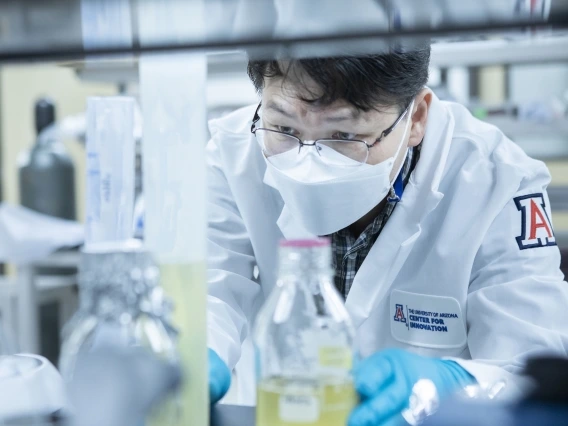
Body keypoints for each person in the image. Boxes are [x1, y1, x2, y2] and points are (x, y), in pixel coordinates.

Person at [205, 46, 568, 426]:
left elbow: (531, 368)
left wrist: (452, 384)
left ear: (417, 118)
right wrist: (197, 352)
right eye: (284, 129)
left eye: (344, 134)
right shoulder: (231, 155)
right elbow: (210, 296)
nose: (308, 163)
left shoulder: (498, 180)